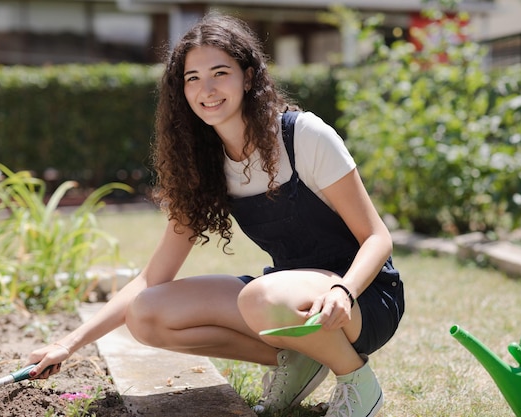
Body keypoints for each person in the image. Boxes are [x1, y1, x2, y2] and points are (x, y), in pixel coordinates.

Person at [27, 12, 404, 417]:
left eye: (219, 73)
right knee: (147, 315)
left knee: (261, 296)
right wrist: (70, 343)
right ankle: (297, 358)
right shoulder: (205, 164)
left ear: (248, 76)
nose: (206, 89)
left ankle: (357, 381)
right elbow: (153, 278)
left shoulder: (303, 136)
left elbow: (377, 237)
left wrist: (343, 291)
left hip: (363, 301)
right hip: (285, 301)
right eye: (192, 78)